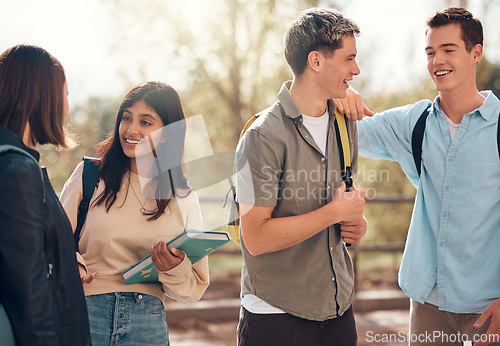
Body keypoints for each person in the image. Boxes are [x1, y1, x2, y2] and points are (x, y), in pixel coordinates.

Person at [337, 7, 500, 346]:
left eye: (448, 49)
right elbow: (348, 131)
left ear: (476, 53)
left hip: (487, 308)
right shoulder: (415, 122)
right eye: (430, 52)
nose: (437, 61)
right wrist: (339, 93)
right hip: (427, 303)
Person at [235, 8, 367, 346]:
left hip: (338, 312)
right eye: (348, 58)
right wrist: (334, 214)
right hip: (276, 318)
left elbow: (341, 210)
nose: (356, 69)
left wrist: (354, 225)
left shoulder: (344, 122)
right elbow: (255, 237)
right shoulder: (261, 136)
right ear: (316, 61)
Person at [59, 82, 209, 345]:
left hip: (146, 324)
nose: (132, 129)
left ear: (167, 133)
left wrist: (174, 269)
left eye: (146, 122)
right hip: (85, 313)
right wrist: (74, 261)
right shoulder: (89, 177)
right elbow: (49, 242)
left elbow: (193, 290)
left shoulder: (184, 198)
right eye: (126, 118)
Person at [0, 44, 92, 345]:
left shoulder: (16, 163)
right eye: (65, 95)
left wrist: (64, 259)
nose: (66, 106)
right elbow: (26, 290)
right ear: (44, 97)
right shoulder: (17, 171)